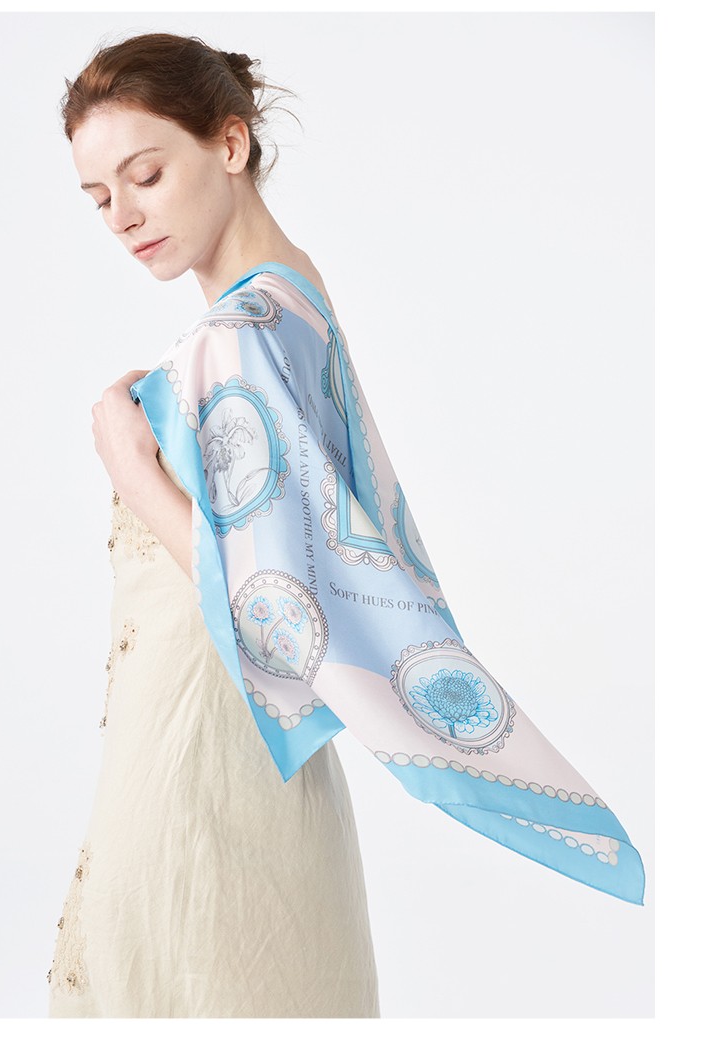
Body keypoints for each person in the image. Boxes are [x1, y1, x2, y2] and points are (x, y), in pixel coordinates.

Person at [48, 30, 645, 1019]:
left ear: (229, 144)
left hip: (198, 750)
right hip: (250, 743)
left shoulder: (234, 336)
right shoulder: (293, 290)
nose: (123, 216)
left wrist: (128, 464)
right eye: (98, 196)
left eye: (145, 175)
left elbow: (275, 606)